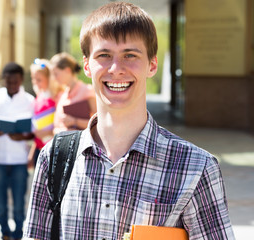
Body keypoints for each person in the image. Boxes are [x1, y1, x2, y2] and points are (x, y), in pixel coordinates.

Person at [24, 2, 235, 240]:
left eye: (130, 55)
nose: (116, 69)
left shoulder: (197, 168)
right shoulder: (54, 157)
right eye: (104, 55)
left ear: (152, 65)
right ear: (86, 66)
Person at [0, 62, 35, 240]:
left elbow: (35, 131)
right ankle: (4, 231)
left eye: (16, 82)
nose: (12, 85)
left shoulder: (29, 100)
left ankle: (18, 234)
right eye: (9, 82)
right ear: (3, 79)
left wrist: (23, 136)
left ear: (21, 80)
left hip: (19, 159)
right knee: (0, 203)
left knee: (20, 203)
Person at [50, 52, 96, 134]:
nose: (54, 78)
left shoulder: (87, 91)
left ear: (67, 70)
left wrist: (75, 121)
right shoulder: (62, 95)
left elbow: (99, 123)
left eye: (56, 74)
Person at [28, 58, 63, 167]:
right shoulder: (39, 97)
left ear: (49, 78)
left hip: (54, 150)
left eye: (39, 79)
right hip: (39, 150)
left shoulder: (58, 97)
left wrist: (48, 133)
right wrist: (31, 153)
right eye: (33, 79)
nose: (35, 82)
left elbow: (63, 125)